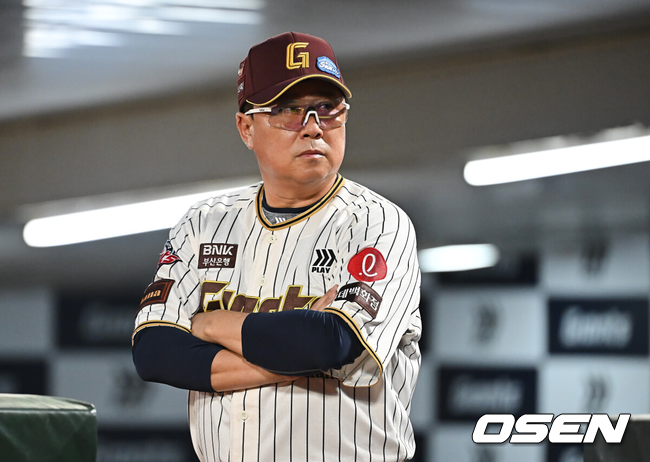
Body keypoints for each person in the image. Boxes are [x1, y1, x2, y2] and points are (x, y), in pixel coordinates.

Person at [132, 31, 422, 462]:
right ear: (246, 128)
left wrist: (210, 325)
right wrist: (295, 349)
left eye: (329, 109)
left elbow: (332, 343)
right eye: (289, 110)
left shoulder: (377, 223)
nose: (313, 127)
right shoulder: (203, 224)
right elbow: (155, 352)